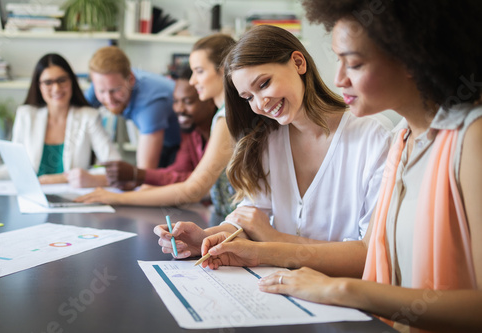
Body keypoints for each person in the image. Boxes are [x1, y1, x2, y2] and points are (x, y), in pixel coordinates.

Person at [198, 1, 482, 332]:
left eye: (355, 63)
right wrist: (229, 242)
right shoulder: (403, 139)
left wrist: (339, 289)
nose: (339, 78)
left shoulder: (469, 139)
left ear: (411, 58)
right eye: (338, 61)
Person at [154, 25, 392, 258]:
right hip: (275, 285)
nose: (260, 104)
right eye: (248, 97)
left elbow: (368, 255)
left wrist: (272, 238)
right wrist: (206, 239)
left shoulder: (374, 136)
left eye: (264, 84)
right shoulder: (266, 139)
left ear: (298, 63)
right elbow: (250, 222)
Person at [76, 34, 237, 218]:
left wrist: (117, 198)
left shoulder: (225, 119)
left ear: (224, 71)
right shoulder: (223, 115)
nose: (192, 81)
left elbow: (194, 190)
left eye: (199, 71)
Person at [0, 53, 121, 187]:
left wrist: (63, 178)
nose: (56, 88)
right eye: (48, 82)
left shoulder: (89, 117)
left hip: (73, 201)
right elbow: (15, 168)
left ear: (72, 81)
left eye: (62, 80)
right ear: (39, 86)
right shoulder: (26, 115)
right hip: (32, 198)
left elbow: (115, 167)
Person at [99, 65, 217, 190]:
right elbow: (178, 171)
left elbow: (197, 181)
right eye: (176, 101)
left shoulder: (222, 133)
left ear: (210, 101)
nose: (179, 109)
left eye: (187, 101)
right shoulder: (191, 132)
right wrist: (136, 179)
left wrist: (137, 174)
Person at [85, 46, 180, 169]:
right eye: (101, 91)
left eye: (115, 90)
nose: (108, 99)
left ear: (131, 79)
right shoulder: (105, 81)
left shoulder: (150, 104)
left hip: (183, 145)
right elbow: (74, 113)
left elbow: (145, 172)